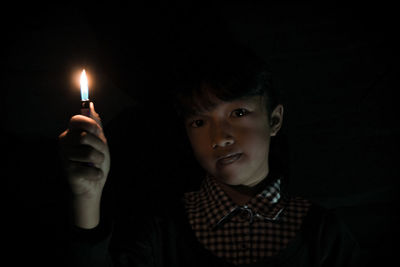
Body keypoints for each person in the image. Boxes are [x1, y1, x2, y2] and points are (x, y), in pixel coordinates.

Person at [58, 43, 361, 266]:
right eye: (200, 122)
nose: (220, 137)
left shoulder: (322, 233)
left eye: (239, 112)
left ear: (275, 120)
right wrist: (87, 196)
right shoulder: (161, 231)